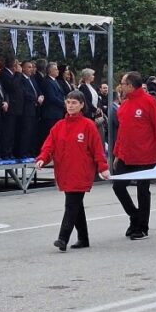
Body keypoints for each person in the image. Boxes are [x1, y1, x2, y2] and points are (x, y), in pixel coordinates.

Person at [36, 91, 110, 252]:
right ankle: (83, 238)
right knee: (76, 205)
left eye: (74, 103)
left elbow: (98, 150)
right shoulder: (59, 126)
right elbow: (49, 145)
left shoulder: (88, 125)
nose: (70, 105)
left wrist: (103, 167)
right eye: (68, 102)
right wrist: (42, 158)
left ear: (82, 105)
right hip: (64, 171)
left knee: (71, 205)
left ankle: (63, 238)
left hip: (81, 172)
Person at [112, 71, 156, 240]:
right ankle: (134, 216)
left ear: (130, 85)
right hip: (125, 154)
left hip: (145, 154)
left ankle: (142, 227)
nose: (121, 86)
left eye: (123, 83)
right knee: (118, 187)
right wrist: (117, 153)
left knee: (142, 191)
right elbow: (122, 132)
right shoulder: (124, 104)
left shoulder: (149, 102)